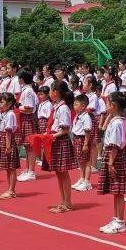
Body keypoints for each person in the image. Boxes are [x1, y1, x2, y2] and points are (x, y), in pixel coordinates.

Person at [97, 91, 126, 234]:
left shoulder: (118, 122)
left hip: (115, 157)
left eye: (107, 103)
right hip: (112, 155)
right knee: (115, 191)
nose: (105, 105)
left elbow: (116, 145)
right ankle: (116, 218)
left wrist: (110, 162)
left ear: (113, 105)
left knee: (118, 191)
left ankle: (120, 221)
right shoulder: (116, 119)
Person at [46, 81, 76, 212]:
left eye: (50, 90)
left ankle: (67, 202)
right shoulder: (57, 106)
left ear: (56, 92)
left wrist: (53, 136)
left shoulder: (63, 108)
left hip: (61, 140)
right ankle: (63, 201)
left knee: (63, 173)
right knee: (59, 173)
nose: (49, 93)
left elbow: (65, 129)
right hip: (56, 139)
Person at [0, 93, 20, 199]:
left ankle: (11, 190)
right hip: (2, 138)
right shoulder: (5, 113)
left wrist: (8, 146)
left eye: (2, 101)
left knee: (11, 168)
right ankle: (10, 189)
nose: (0, 104)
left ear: (10, 103)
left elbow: (8, 131)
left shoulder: (11, 114)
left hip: (7, 140)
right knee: (7, 167)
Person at [71, 94, 94, 189]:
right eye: (74, 104)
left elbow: (87, 131)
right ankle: (82, 178)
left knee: (87, 161)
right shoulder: (78, 116)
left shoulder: (86, 117)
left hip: (83, 139)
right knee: (80, 160)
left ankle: (87, 181)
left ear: (83, 106)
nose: (74, 106)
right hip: (77, 138)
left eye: (76, 104)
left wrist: (85, 144)